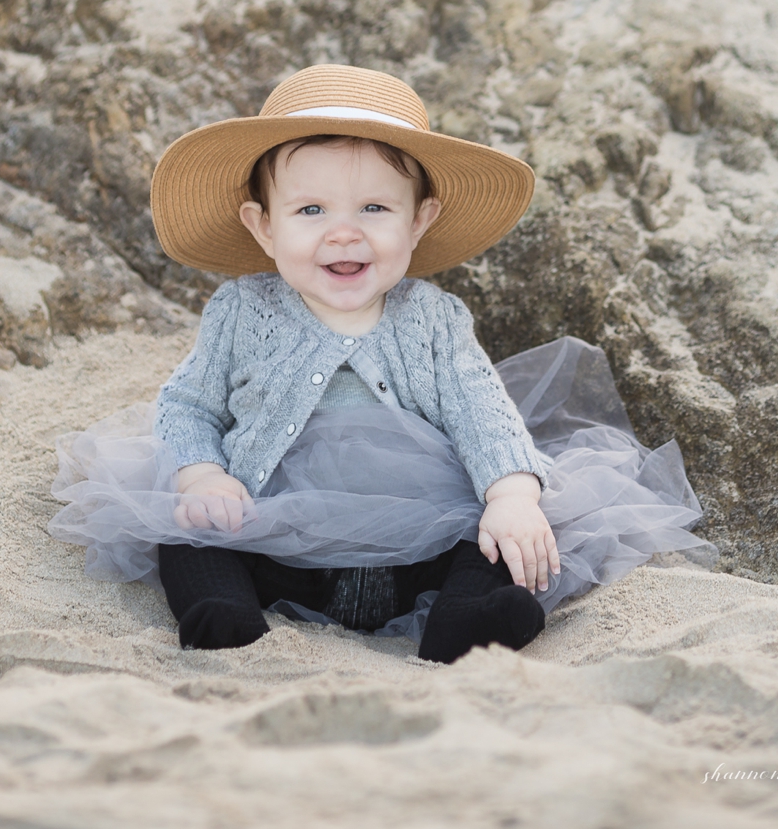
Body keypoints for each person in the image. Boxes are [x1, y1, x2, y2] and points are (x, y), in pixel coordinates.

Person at [48, 64, 712, 663]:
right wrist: (202, 476)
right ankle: (224, 615)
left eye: (374, 208)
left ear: (419, 220)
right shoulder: (241, 310)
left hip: (418, 545)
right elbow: (187, 405)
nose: (344, 231)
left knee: (505, 538)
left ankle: (467, 619)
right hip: (275, 540)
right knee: (187, 532)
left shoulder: (435, 317)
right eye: (311, 209)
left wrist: (511, 497)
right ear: (263, 225)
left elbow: (483, 412)